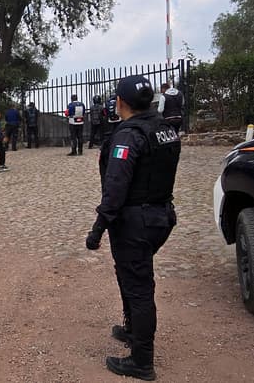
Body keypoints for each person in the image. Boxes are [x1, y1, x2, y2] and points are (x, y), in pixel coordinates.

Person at [85, 75, 181, 381]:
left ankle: (141, 360)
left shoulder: (128, 136)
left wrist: (98, 227)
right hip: (160, 216)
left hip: (134, 221)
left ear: (120, 103)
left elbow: (116, 186)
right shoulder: (165, 129)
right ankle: (130, 329)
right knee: (129, 273)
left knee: (139, 287)